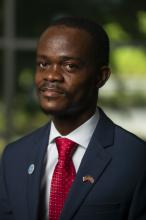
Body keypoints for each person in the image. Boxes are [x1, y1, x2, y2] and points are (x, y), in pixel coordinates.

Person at [0, 16, 146, 220]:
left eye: (69, 66)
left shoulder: (137, 159)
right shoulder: (14, 157)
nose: (51, 76)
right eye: (43, 64)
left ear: (101, 77)